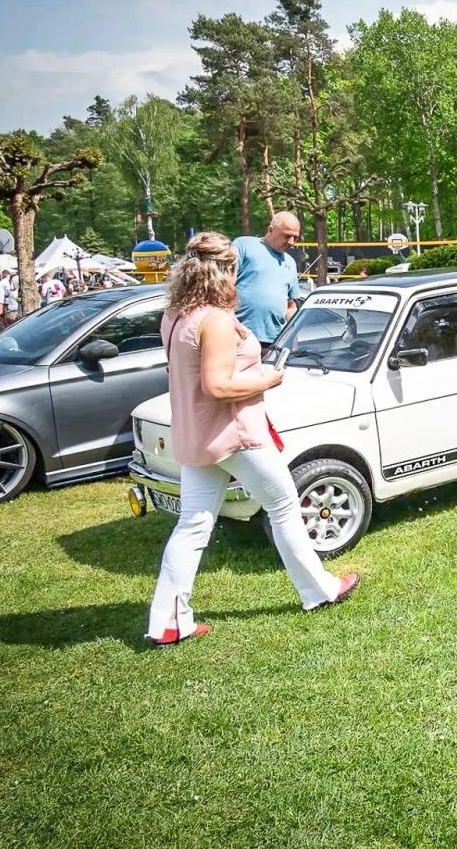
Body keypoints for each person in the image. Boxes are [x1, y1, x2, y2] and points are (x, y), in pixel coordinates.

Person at [146, 231, 358, 647]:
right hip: (235, 431)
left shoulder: (175, 315)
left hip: (196, 431)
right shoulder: (215, 320)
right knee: (283, 505)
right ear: (224, 270)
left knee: (192, 525)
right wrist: (268, 378)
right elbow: (218, 386)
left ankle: (169, 620)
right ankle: (319, 589)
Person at [233, 211, 303, 350]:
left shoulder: (290, 262)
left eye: (295, 238)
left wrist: (292, 339)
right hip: (240, 336)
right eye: (286, 236)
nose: (291, 242)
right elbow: (224, 285)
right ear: (270, 230)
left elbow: (290, 305)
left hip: (275, 340)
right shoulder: (243, 245)